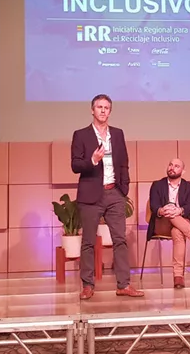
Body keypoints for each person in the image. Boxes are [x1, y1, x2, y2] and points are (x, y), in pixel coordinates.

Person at [71, 94, 144, 300]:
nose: (103, 110)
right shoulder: (81, 135)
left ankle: (124, 285)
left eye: (106, 108)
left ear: (110, 111)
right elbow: (75, 165)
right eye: (99, 107)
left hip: (115, 193)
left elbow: (124, 163)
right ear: (92, 110)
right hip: (91, 195)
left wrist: (124, 189)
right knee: (88, 242)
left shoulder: (118, 134)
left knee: (120, 240)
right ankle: (88, 285)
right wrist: (93, 160)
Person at [147, 158, 190, 289]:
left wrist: (179, 210)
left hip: (181, 223)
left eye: (176, 166)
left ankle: (178, 277)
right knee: (171, 213)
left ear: (183, 171)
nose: (172, 168)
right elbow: (154, 205)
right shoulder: (157, 185)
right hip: (161, 223)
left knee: (177, 232)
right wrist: (163, 210)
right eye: (170, 165)